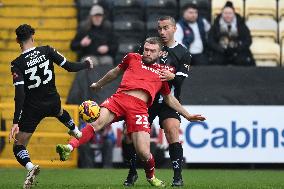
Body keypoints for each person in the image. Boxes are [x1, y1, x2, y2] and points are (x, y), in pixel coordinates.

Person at [56, 37, 205, 187]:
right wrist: (98, 84)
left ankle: (151, 176)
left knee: (143, 152)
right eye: (146, 49)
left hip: (139, 109)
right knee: (96, 123)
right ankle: (69, 147)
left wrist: (187, 115)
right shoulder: (132, 57)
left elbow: (169, 99)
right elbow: (115, 72)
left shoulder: (162, 73)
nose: (147, 53)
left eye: (152, 51)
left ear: (160, 53)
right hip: (119, 99)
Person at [8, 24, 94, 189]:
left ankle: (30, 167)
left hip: (32, 108)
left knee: (18, 145)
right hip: (53, 100)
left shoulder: (16, 64)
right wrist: (86, 64)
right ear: (33, 36)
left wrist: (15, 121)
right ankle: (75, 130)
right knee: (60, 111)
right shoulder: (47, 50)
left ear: (17, 40)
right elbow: (69, 66)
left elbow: (20, 94)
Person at [123, 16, 192, 187]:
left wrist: (172, 76)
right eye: (159, 28)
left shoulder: (183, 53)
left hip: (168, 101)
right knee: (129, 134)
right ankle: (132, 172)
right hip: (146, 100)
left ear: (175, 28)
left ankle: (177, 176)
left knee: (172, 129)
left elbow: (180, 81)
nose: (162, 32)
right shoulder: (147, 48)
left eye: (166, 28)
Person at [208, 1, 255, 66]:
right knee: (216, 61)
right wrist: (219, 48)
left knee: (243, 61)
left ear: (234, 14)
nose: (228, 15)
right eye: (225, 13)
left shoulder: (240, 24)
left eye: (230, 13)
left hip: (238, 50)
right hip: (220, 51)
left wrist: (238, 48)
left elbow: (248, 40)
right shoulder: (216, 24)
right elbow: (210, 40)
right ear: (222, 14)